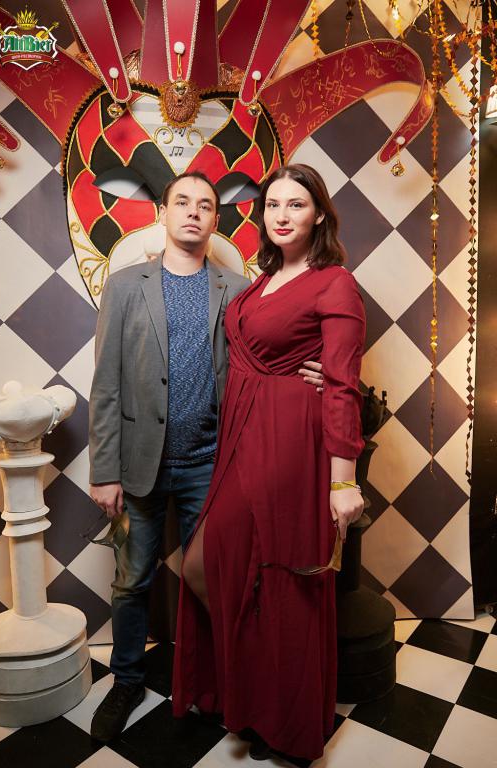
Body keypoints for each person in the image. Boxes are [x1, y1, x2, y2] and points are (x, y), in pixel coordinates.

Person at [87, 170, 324, 742]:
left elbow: (265, 358)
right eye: (182, 202)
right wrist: (103, 470)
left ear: (217, 220)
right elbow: (106, 385)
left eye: (205, 205)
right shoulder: (125, 286)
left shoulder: (239, 288)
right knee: (132, 582)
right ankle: (126, 680)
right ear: (163, 214)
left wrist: (311, 374)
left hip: (212, 464)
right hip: (139, 464)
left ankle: (224, 684)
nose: (193, 212)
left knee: (219, 578)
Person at [173, 164, 366, 761]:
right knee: (209, 561)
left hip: (290, 441)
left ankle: (283, 722)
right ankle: (252, 691)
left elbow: (342, 386)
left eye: (296, 204)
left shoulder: (334, 283)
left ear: (319, 215)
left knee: (282, 578)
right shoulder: (262, 280)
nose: (282, 215)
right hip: (242, 433)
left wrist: (343, 483)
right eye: (273, 204)